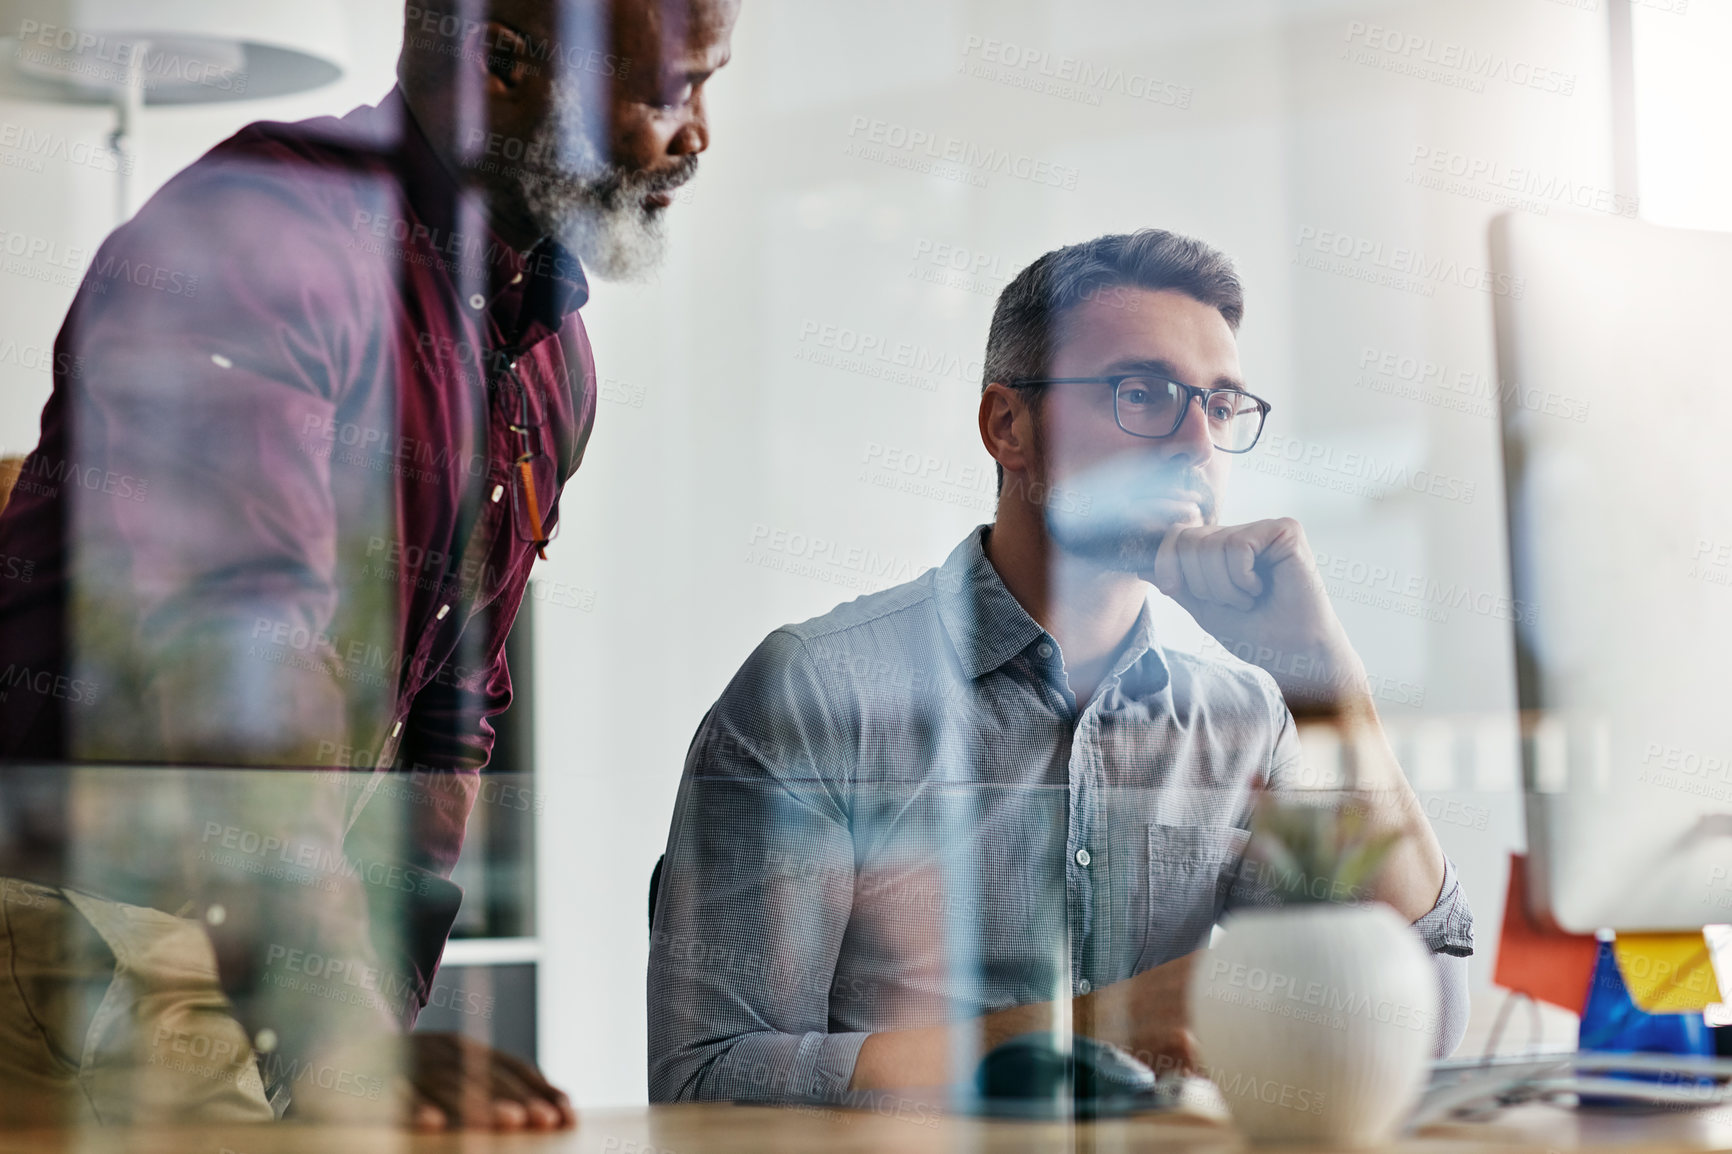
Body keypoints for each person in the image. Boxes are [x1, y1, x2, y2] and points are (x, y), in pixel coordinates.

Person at [0, 0, 737, 1130]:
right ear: (503, 60)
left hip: (264, 934)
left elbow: (453, 710)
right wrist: (335, 1026)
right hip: (77, 915)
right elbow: (233, 668)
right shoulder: (261, 235)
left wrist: (373, 1009)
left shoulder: (553, 358)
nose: (697, 136)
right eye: (668, 91)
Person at [647, 230, 1473, 1104]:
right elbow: (708, 1081)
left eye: (1220, 406)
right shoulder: (816, 692)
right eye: (1141, 393)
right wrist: (1096, 1026)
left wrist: (1326, 686)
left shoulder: (1245, 722)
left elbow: (1424, 1017)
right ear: (1009, 426)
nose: (1196, 442)